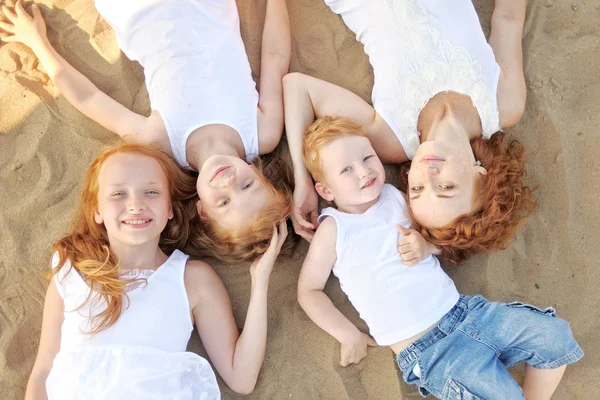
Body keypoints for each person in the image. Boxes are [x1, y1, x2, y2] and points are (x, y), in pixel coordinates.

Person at [297, 116, 582, 399]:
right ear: (325, 190)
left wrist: (427, 246)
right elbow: (309, 291)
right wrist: (347, 334)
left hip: (469, 313)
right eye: (346, 169)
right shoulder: (334, 229)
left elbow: (441, 234)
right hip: (430, 352)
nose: (363, 171)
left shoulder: (396, 196)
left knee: (554, 336)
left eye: (367, 157)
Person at [0, 0, 292, 263]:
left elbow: (89, 99)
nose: (229, 183)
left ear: (202, 210)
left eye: (224, 202)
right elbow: (276, 56)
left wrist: (38, 42)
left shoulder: (161, 144)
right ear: (261, 176)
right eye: (247, 186)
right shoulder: (262, 132)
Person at [24, 143, 288, 399]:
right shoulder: (73, 269)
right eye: (118, 194)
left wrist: (260, 280)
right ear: (98, 211)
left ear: (170, 209)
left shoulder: (192, 279)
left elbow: (241, 378)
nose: (136, 204)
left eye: (151, 192)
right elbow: (44, 371)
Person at [283, 0, 535, 263]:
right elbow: (508, 18)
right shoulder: (504, 103)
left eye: (417, 188)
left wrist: (303, 180)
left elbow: (298, 88)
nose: (428, 173)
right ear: (482, 177)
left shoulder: (391, 138)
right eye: (446, 186)